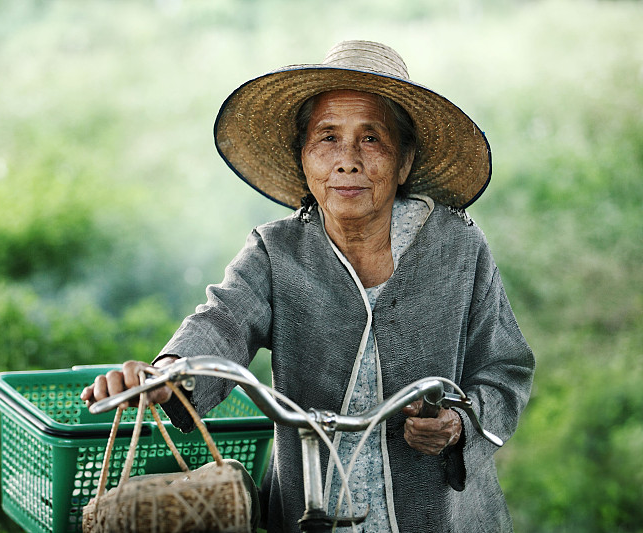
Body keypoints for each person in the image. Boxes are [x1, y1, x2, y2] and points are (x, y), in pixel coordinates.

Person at [81, 40, 535, 532]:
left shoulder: (458, 247)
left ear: (404, 162)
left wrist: (459, 424)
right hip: (308, 503)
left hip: (442, 515)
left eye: (371, 139)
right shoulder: (276, 251)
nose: (347, 161)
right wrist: (167, 375)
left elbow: (504, 367)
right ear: (303, 158)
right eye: (327, 138)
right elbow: (221, 321)